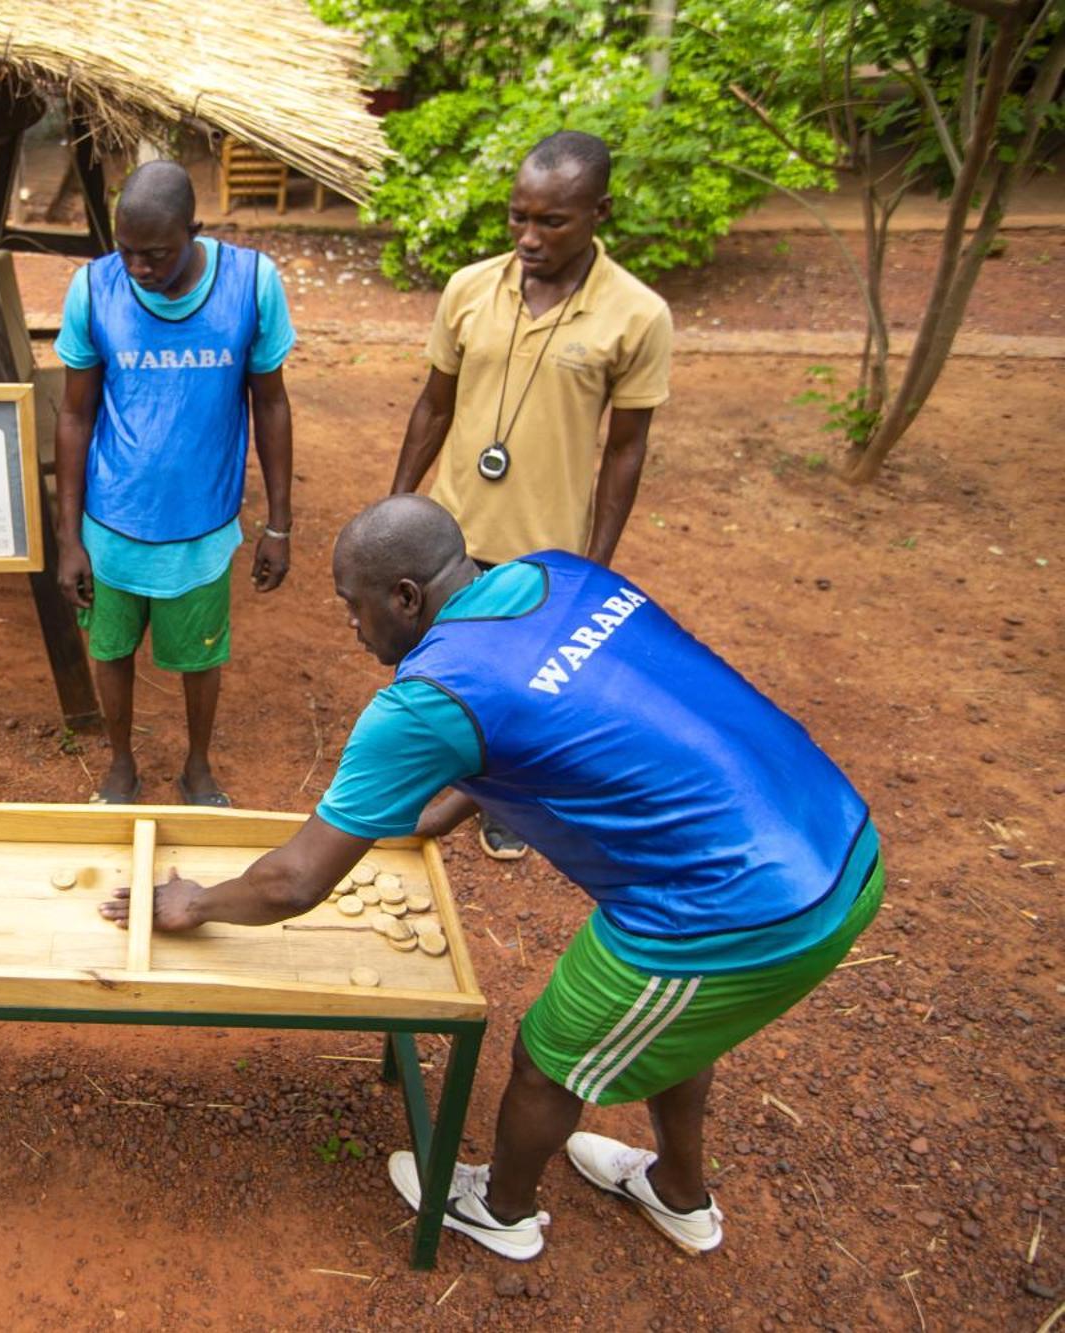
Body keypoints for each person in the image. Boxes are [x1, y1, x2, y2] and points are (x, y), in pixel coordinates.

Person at [101, 496, 882, 1262]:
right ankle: (678, 1191)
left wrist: (194, 901)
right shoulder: (562, 575)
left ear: (405, 598)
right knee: (675, 1021)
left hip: (738, 905)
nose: (349, 624)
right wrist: (466, 792)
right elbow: (572, 698)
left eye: (353, 605)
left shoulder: (425, 700)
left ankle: (499, 1209)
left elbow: (296, 881)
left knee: (549, 1056)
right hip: (831, 827)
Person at [387, 130, 673, 861]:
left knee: (524, 685)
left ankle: (501, 799)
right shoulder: (469, 289)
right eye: (519, 217)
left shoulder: (637, 315)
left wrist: (598, 561)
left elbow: (627, 447)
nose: (529, 237)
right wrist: (396, 508)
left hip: (548, 544)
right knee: (437, 665)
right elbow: (433, 404)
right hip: (449, 530)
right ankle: (426, 776)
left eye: (553, 222)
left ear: (599, 211)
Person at [54, 160, 296, 807]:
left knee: (200, 657)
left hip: (203, 526)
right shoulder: (93, 289)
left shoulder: (251, 283)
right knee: (110, 649)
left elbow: (270, 403)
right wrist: (67, 535)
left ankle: (197, 766)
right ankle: (121, 764)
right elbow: (74, 414)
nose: (139, 268)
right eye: (126, 251)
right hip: (111, 524)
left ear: (195, 229)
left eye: (156, 253)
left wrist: (279, 522)